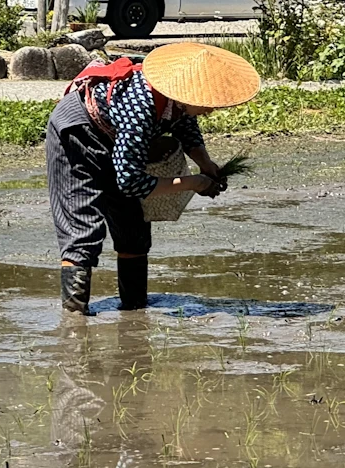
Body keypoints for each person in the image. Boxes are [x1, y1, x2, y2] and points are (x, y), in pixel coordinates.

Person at [47, 43, 261, 314]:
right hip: (77, 132)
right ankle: (75, 318)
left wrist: (206, 165)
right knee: (83, 228)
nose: (212, 110)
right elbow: (131, 182)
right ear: (188, 94)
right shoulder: (141, 107)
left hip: (116, 137)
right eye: (208, 104)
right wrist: (193, 183)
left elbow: (185, 125)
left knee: (133, 226)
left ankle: (134, 310)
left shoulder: (176, 101)